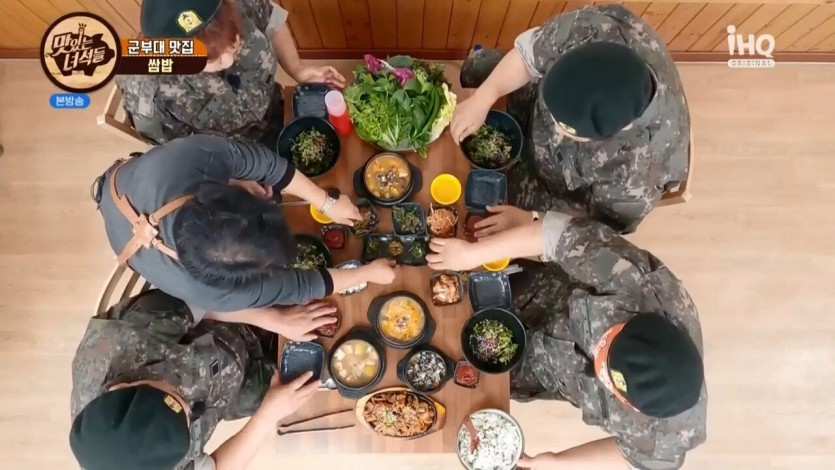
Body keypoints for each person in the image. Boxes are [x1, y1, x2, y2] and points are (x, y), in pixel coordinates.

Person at [427, 212, 706, 468]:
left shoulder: (672, 434)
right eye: (610, 340)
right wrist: (472, 255)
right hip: (552, 296)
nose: (596, 354)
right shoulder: (643, 286)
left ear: (632, 405)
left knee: (460, 383)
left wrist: (558, 461)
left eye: (605, 373)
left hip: (550, 372)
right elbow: (559, 236)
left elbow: (632, 454)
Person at [92, 134, 396, 339]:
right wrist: (367, 272)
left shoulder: (190, 158)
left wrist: (326, 202)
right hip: (124, 226)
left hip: (124, 186)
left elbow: (266, 164)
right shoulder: (217, 293)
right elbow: (301, 284)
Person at [453, 5, 690, 234]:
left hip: (556, 190)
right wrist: (482, 99)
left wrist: (533, 219)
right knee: (477, 67)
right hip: (531, 108)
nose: (554, 126)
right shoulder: (597, 28)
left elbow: (598, 227)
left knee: (506, 239)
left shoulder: (640, 172)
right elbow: (529, 55)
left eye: (565, 127)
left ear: (614, 131)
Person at [70, 289, 320, 470]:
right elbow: (218, 467)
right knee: (320, 372)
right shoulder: (151, 463)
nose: (192, 410)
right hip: (233, 389)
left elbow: (200, 296)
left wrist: (274, 320)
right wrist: (267, 415)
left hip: (234, 318)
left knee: (306, 291)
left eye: (175, 398)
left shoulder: (129, 335)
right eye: (187, 422)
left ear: (124, 386)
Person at [117, 0, 346, 147]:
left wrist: (297, 68)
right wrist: (237, 180)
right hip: (235, 158)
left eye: (233, 42)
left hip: (276, 108)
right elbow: (180, 159)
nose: (229, 60)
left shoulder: (234, 4)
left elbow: (272, 19)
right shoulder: (149, 93)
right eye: (210, 59)